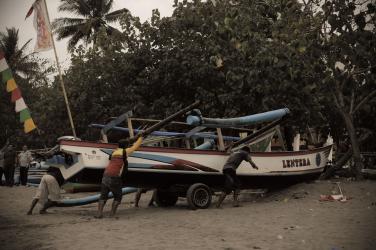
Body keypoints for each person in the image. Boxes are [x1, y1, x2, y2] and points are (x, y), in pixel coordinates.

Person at [95, 136, 143, 218]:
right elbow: (135, 146)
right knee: (118, 196)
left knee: (103, 195)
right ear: (125, 146)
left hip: (106, 174)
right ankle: (112, 215)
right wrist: (141, 137)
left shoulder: (114, 152)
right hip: (115, 176)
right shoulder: (126, 151)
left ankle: (99, 214)